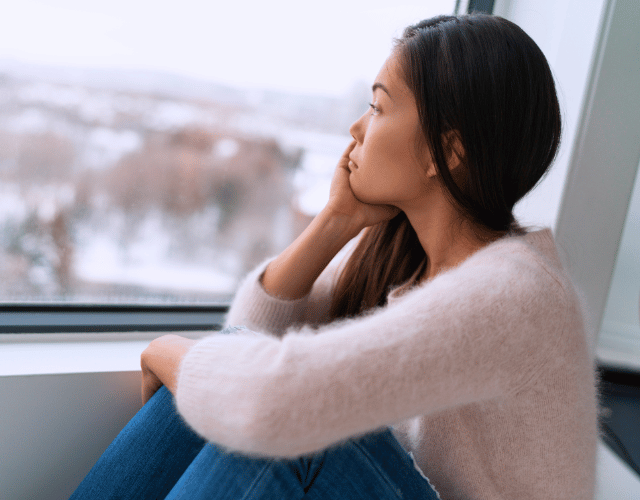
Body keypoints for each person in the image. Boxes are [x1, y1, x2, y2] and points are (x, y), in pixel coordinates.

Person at [70, 13, 597, 500]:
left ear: (448, 152)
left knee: (293, 426)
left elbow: (266, 402)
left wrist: (165, 349)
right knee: (229, 381)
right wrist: (335, 223)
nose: (357, 129)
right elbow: (251, 335)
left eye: (378, 106)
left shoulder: (515, 293)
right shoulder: (411, 257)